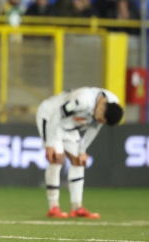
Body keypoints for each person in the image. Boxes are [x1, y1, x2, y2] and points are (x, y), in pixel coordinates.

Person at [36, 87, 123, 219]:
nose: (100, 122)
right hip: (50, 116)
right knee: (57, 158)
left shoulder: (112, 103)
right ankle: (53, 207)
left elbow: (95, 127)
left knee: (79, 161)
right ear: (102, 109)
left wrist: (82, 150)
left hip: (69, 124)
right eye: (102, 119)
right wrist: (49, 144)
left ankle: (77, 207)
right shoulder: (83, 101)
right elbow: (58, 114)